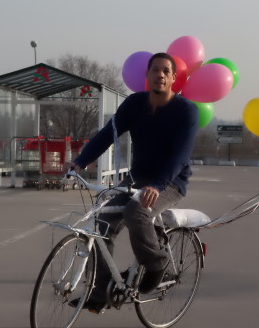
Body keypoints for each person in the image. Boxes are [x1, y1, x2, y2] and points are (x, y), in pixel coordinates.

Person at [69, 52, 200, 312]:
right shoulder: (134, 104)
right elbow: (107, 135)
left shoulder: (186, 111)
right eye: (155, 70)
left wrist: (157, 186)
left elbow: (181, 155)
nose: (160, 75)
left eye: (166, 71)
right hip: (138, 177)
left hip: (170, 182)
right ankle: (103, 289)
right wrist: (80, 161)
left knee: (136, 212)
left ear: (173, 78)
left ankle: (156, 263)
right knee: (103, 220)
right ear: (147, 75)